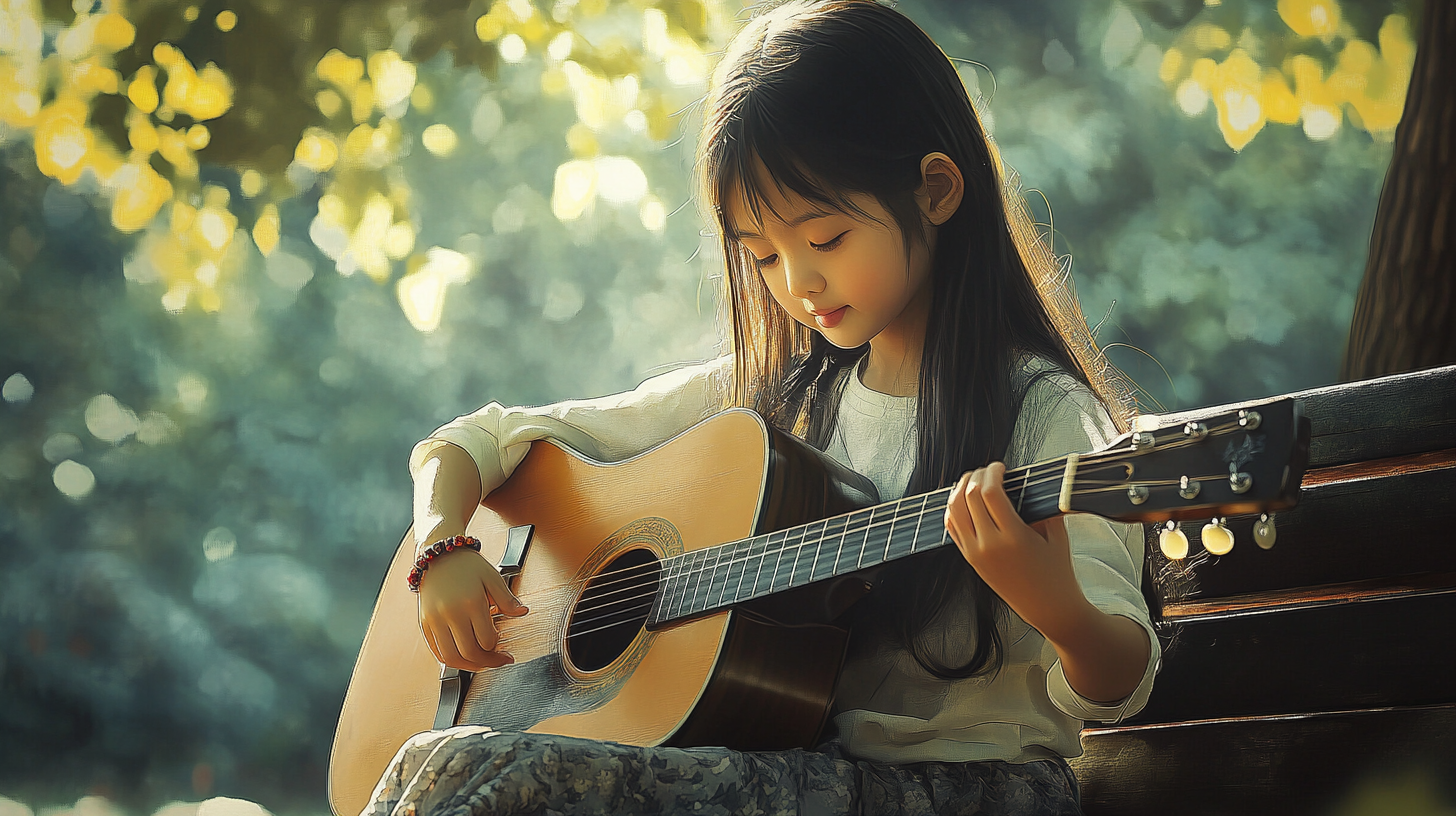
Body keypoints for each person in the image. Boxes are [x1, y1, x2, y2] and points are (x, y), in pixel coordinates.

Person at [366, 1, 1160, 813]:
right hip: (809, 777)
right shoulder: (773, 401)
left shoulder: (1042, 414)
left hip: (977, 789)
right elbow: (475, 442)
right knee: (438, 761)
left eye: (825, 240)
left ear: (936, 188)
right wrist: (443, 544)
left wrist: (1053, 603)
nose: (797, 284)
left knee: (486, 777)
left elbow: (1121, 679)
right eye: (764, 255)